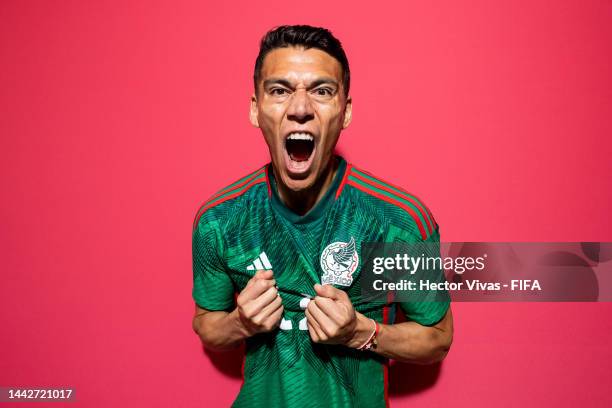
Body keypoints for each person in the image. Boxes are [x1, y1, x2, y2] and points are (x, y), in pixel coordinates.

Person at [192, 25, 453, 408]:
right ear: (255, 108)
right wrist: (239, 323)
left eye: (322, 91)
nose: (300, 109)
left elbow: (439, 338)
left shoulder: (398, 220)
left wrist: (360, 332)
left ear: (345, 112)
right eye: (279, 91)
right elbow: (206, 325)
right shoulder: (220, 219)